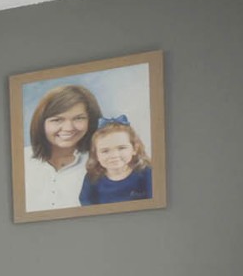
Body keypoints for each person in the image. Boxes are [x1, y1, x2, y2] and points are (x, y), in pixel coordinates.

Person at [23, 84, 102, 212]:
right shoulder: (20, 160)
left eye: (78, 118)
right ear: (41, 123)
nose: (69, 128)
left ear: (91, 121)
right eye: (57, 120)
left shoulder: (104, 161)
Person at [79, 116, 155, 205]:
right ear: (96, 155)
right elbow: (86, 204)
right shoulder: (92, 177)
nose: (114, 155)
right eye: (105, 151)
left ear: (134, 149)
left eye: (121, 148)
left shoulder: (146, 172)